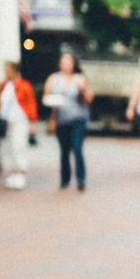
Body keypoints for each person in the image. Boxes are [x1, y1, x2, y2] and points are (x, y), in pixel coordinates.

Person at [45, 52, 93, 191]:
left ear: (74, 64)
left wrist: (82, 90)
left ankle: (80, 179)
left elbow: (89, 99)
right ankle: (65, 179)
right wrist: (53, 100)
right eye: (63, 61)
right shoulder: (53, 78)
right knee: (64, 150)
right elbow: (46, 97)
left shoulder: (80, 79)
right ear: (59, 64)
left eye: (69, 61)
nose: (66, 64)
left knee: (77, 148)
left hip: (78, 118)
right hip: (61, 119)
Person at [0, 60, 37, 190]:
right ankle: (12, 173)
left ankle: (20, 173)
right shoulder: (3, 85)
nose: (6, 72)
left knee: (18, 145)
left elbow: (31, 103)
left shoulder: (23, 85)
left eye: (8, 69)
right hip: (6, 121)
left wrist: (33, 121)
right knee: (7, 147)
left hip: (20, 119)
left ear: (14, 70)